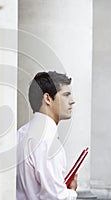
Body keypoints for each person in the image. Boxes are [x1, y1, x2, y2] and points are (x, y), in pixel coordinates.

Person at [16, 71, 77, 200]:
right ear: (47, 98)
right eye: (66, 95)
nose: (72, 101)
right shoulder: (48, 140)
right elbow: (56, 197)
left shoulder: (21, 133)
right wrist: (72, 192)